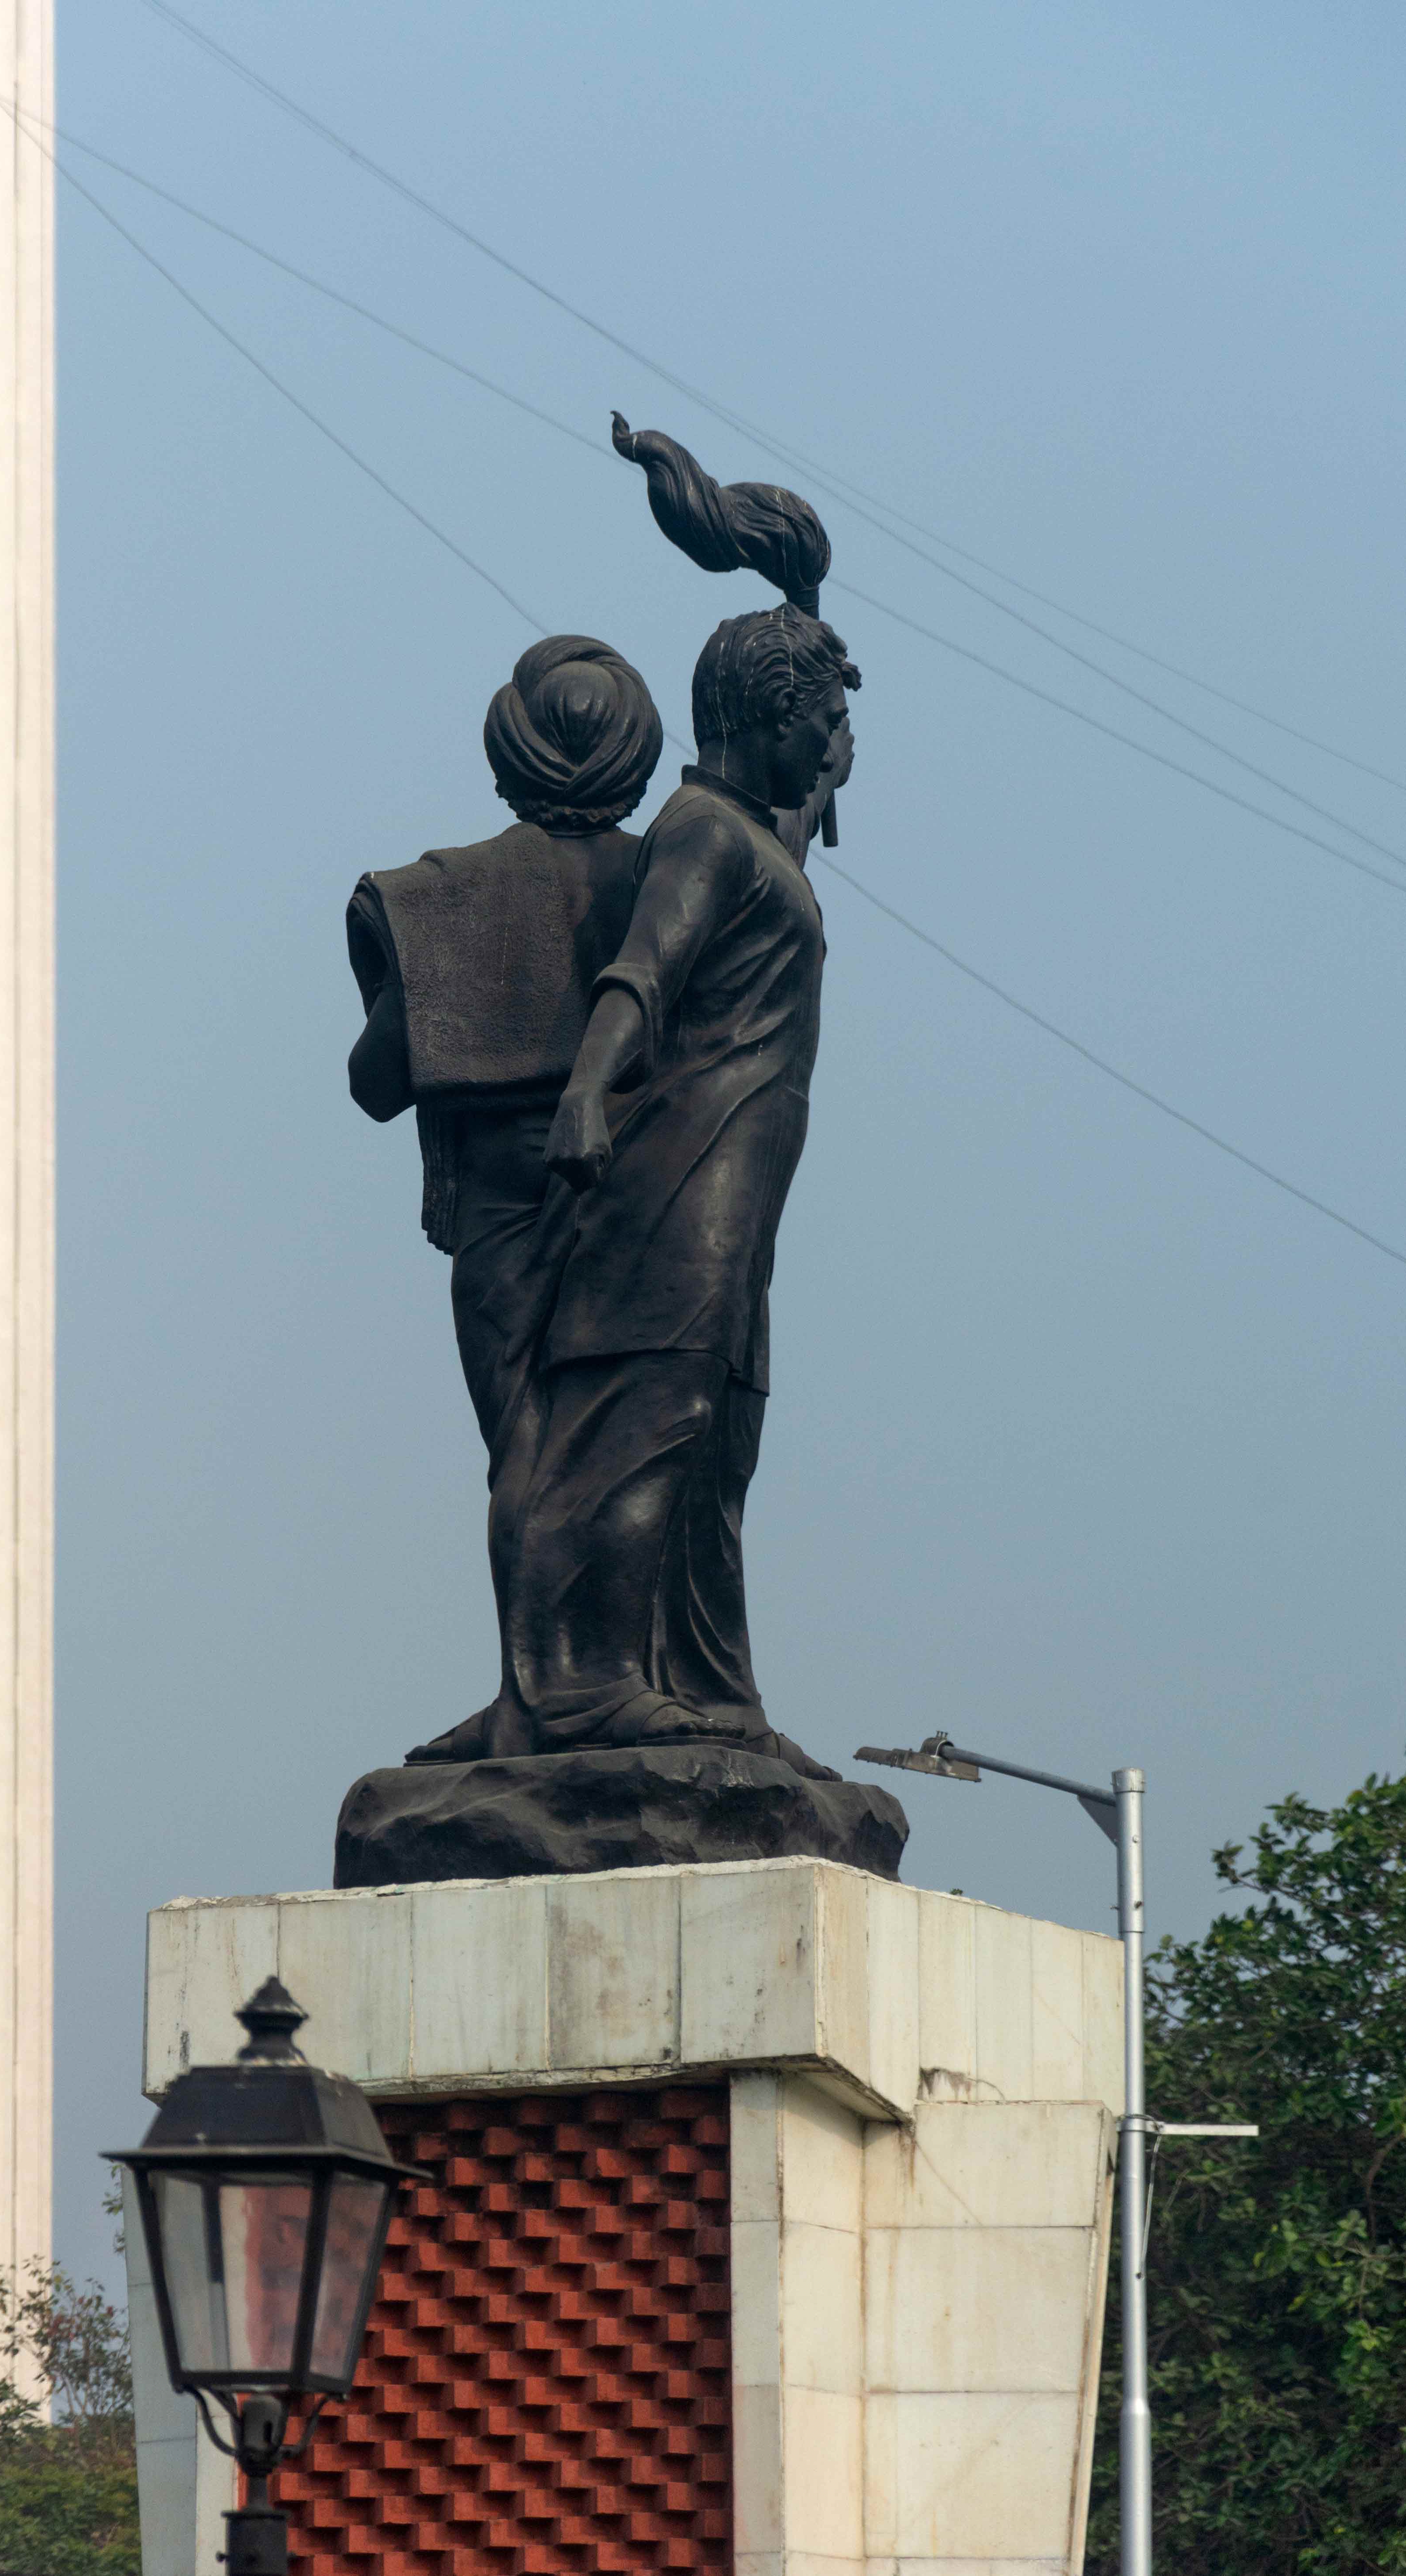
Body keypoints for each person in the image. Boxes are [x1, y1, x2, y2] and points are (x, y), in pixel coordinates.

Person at [407, 425, 860, 1775]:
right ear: (765, 716)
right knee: (644, 1420)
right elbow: (639, 975)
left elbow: (784, 840)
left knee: (715, 1433)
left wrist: (807, 629)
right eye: (819, 720)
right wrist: (588, 1095)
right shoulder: (700, 834)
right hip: (684, 1167)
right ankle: (581, 1685)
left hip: (743, 1186)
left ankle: (705, 1686)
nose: (833, 742)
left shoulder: (751, 836)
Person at [347, 636, 661, 1732]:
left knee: (525, 1442)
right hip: (648, 1197)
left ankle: (537, 1689)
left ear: (507, 750)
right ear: (636, 752)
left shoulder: (442, 895)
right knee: (630, 1443)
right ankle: (606, 1680)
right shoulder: (670, 886)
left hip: (498, 1207)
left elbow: (374, 1084)